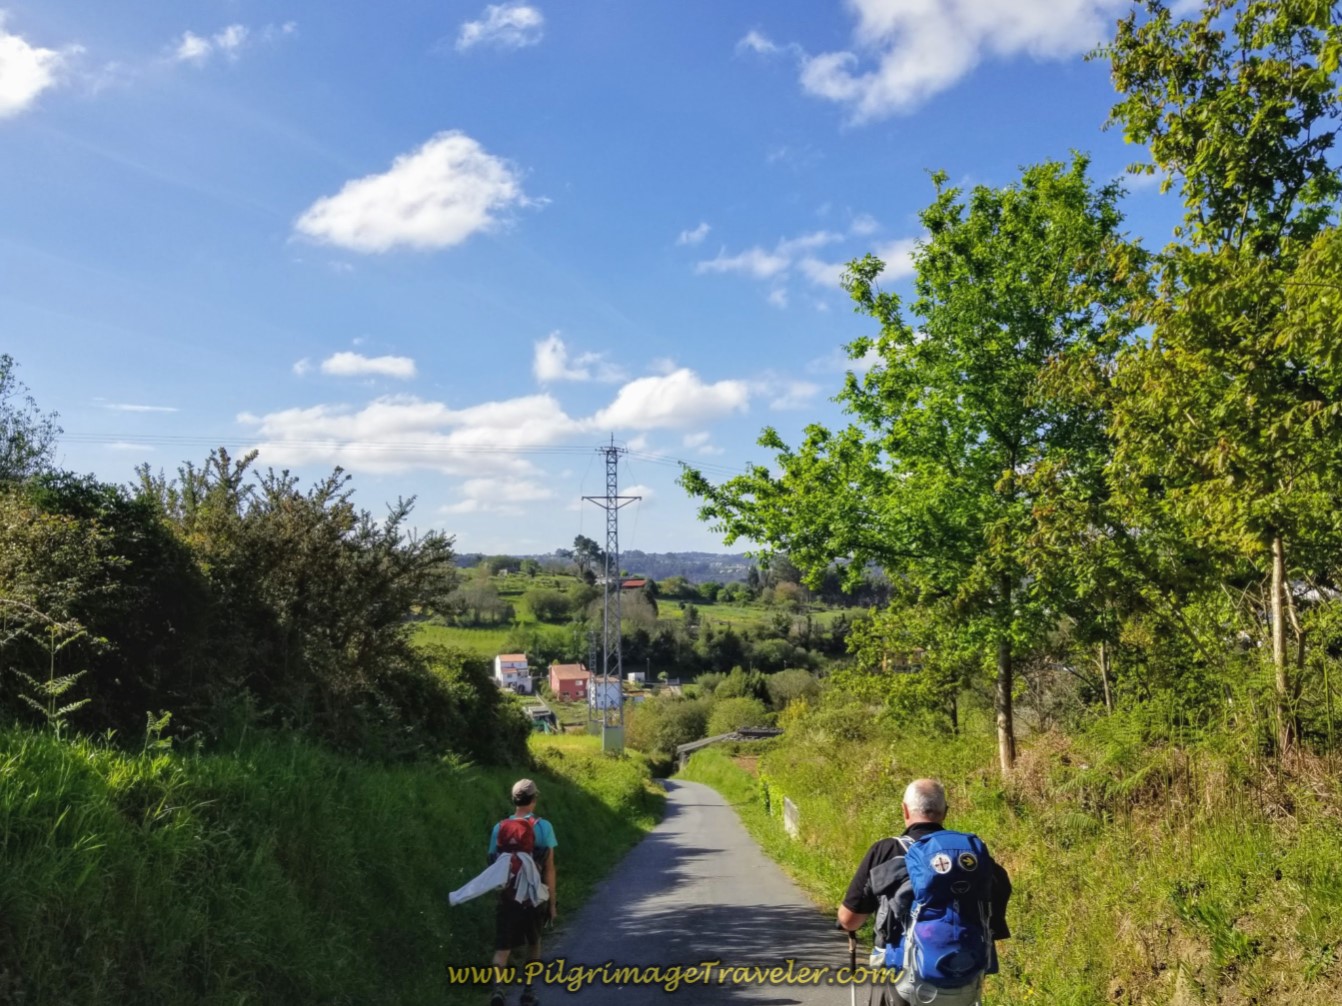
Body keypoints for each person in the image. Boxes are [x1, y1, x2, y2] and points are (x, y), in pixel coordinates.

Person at [837, 779, 1010, 1006]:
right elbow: (995, 912)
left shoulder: (887, 850)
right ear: (944, 812)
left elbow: (849, 920)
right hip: (964, 978)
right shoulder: (971, 858)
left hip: (902, 982)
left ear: (905, 810)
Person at [488, 778, 557, 1006]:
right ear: (534, 799)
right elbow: (549, 868)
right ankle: (528, 992)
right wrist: (553, 904)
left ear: (514, 799)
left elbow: (493, 865)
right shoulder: (543, 827)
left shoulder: (499, 827)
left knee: (502, 947)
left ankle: (498, 990)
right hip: (534, 897)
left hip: (508, 897)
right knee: (534, 943)